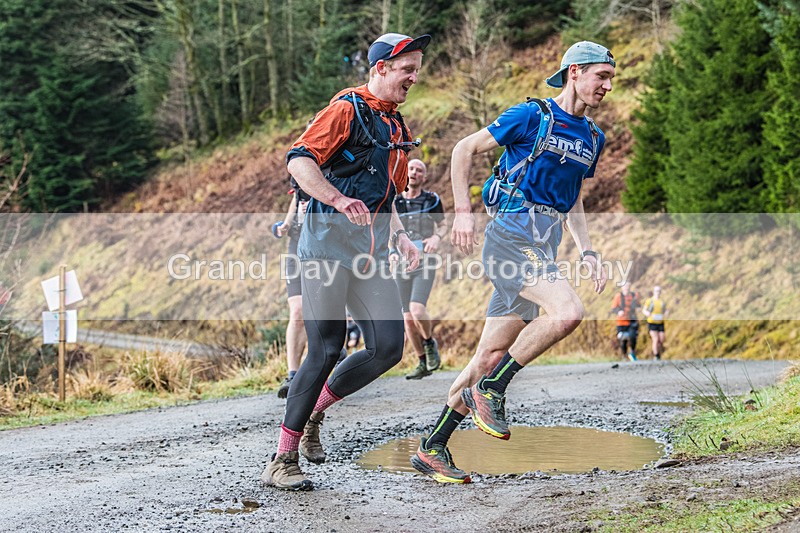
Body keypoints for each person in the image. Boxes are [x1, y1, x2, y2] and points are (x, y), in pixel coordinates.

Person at [411, 41, 614, 484]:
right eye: (602, 75)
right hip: (508, 236)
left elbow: (574, 197)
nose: (608, 85)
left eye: (611, 78)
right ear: (575, 72)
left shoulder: (592, 138)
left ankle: (432, 447)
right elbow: (464, 149)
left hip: (544, 244)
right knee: (568, 312)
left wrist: (588, 251)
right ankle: (493, 390)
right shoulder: (532, 116)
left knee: (487, 356)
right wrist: (463, 212)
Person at [261, 32, 429, 491]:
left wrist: (402, 238)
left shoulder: (397, 126)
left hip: (370, 253)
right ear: (379, 69)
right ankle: (282, 458)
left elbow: (389, 194)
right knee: (326, 347)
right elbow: (298, 162)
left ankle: (315, 411)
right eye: (406, 69)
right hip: (324, 250)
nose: (414, 77)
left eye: (416, 69)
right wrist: (336, 198)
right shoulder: (346, 110)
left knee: (388, 347)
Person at [390, 158, 447, 380]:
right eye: (411, 168)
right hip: (401, 263)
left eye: (419, 170)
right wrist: (391, 253)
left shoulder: (432, 200)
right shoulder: (394, 201)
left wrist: (436, 237)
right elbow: (388, 229)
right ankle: (422, 361)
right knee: (406, 318)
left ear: (424, 176)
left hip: (425, 261)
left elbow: (443, 224)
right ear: (406, 172)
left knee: (417, 310)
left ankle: (429, 342)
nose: (414, 173)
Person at [274, 176, 311, 399]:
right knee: (297, 311)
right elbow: (296, 201)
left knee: (320, 311)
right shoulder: (300, 172)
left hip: (323, 246)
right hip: (296, 248)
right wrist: (284, 225)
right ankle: (293, 375)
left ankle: (332, 350)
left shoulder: (335, 168)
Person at [611, 281, 640, 361]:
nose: (626, 288)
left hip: (632, 320)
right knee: (623, 338)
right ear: (622, 287)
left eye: (628, 286)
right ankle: (624, 355)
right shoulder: (618, 296)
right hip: (622, 321)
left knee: (633, 336)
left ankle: (632, 353)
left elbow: (638, 305)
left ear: (630, 287)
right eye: (625, 286)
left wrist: (638, 308)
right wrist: (619, 311)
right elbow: (613, 308)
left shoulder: (634, 295)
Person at [642, 285, 668, 360]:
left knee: (661, 339)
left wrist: (666, 313)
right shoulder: (649, 301)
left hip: (660, 322)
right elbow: (644, 310)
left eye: (659, 291)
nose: (658, 292)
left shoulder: (662, 302)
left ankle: (657, 352)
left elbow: (665, 310)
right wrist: (646, 313)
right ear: (654, 292)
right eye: (656, 291)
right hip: (652, 322)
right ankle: (656, 355)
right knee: (655, 339)